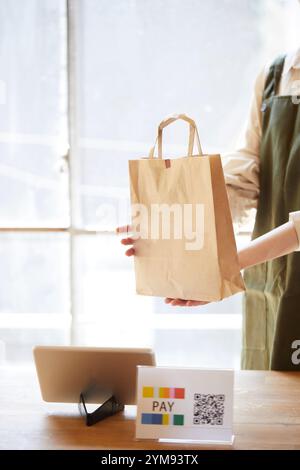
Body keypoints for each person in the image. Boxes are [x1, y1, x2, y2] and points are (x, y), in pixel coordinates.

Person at [118, 48, 300, 371]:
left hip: (265, 262)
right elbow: (243, 177)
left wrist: (228, 266)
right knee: (266, 405)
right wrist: (167, 224)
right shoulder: (275, 77)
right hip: (272, 278)